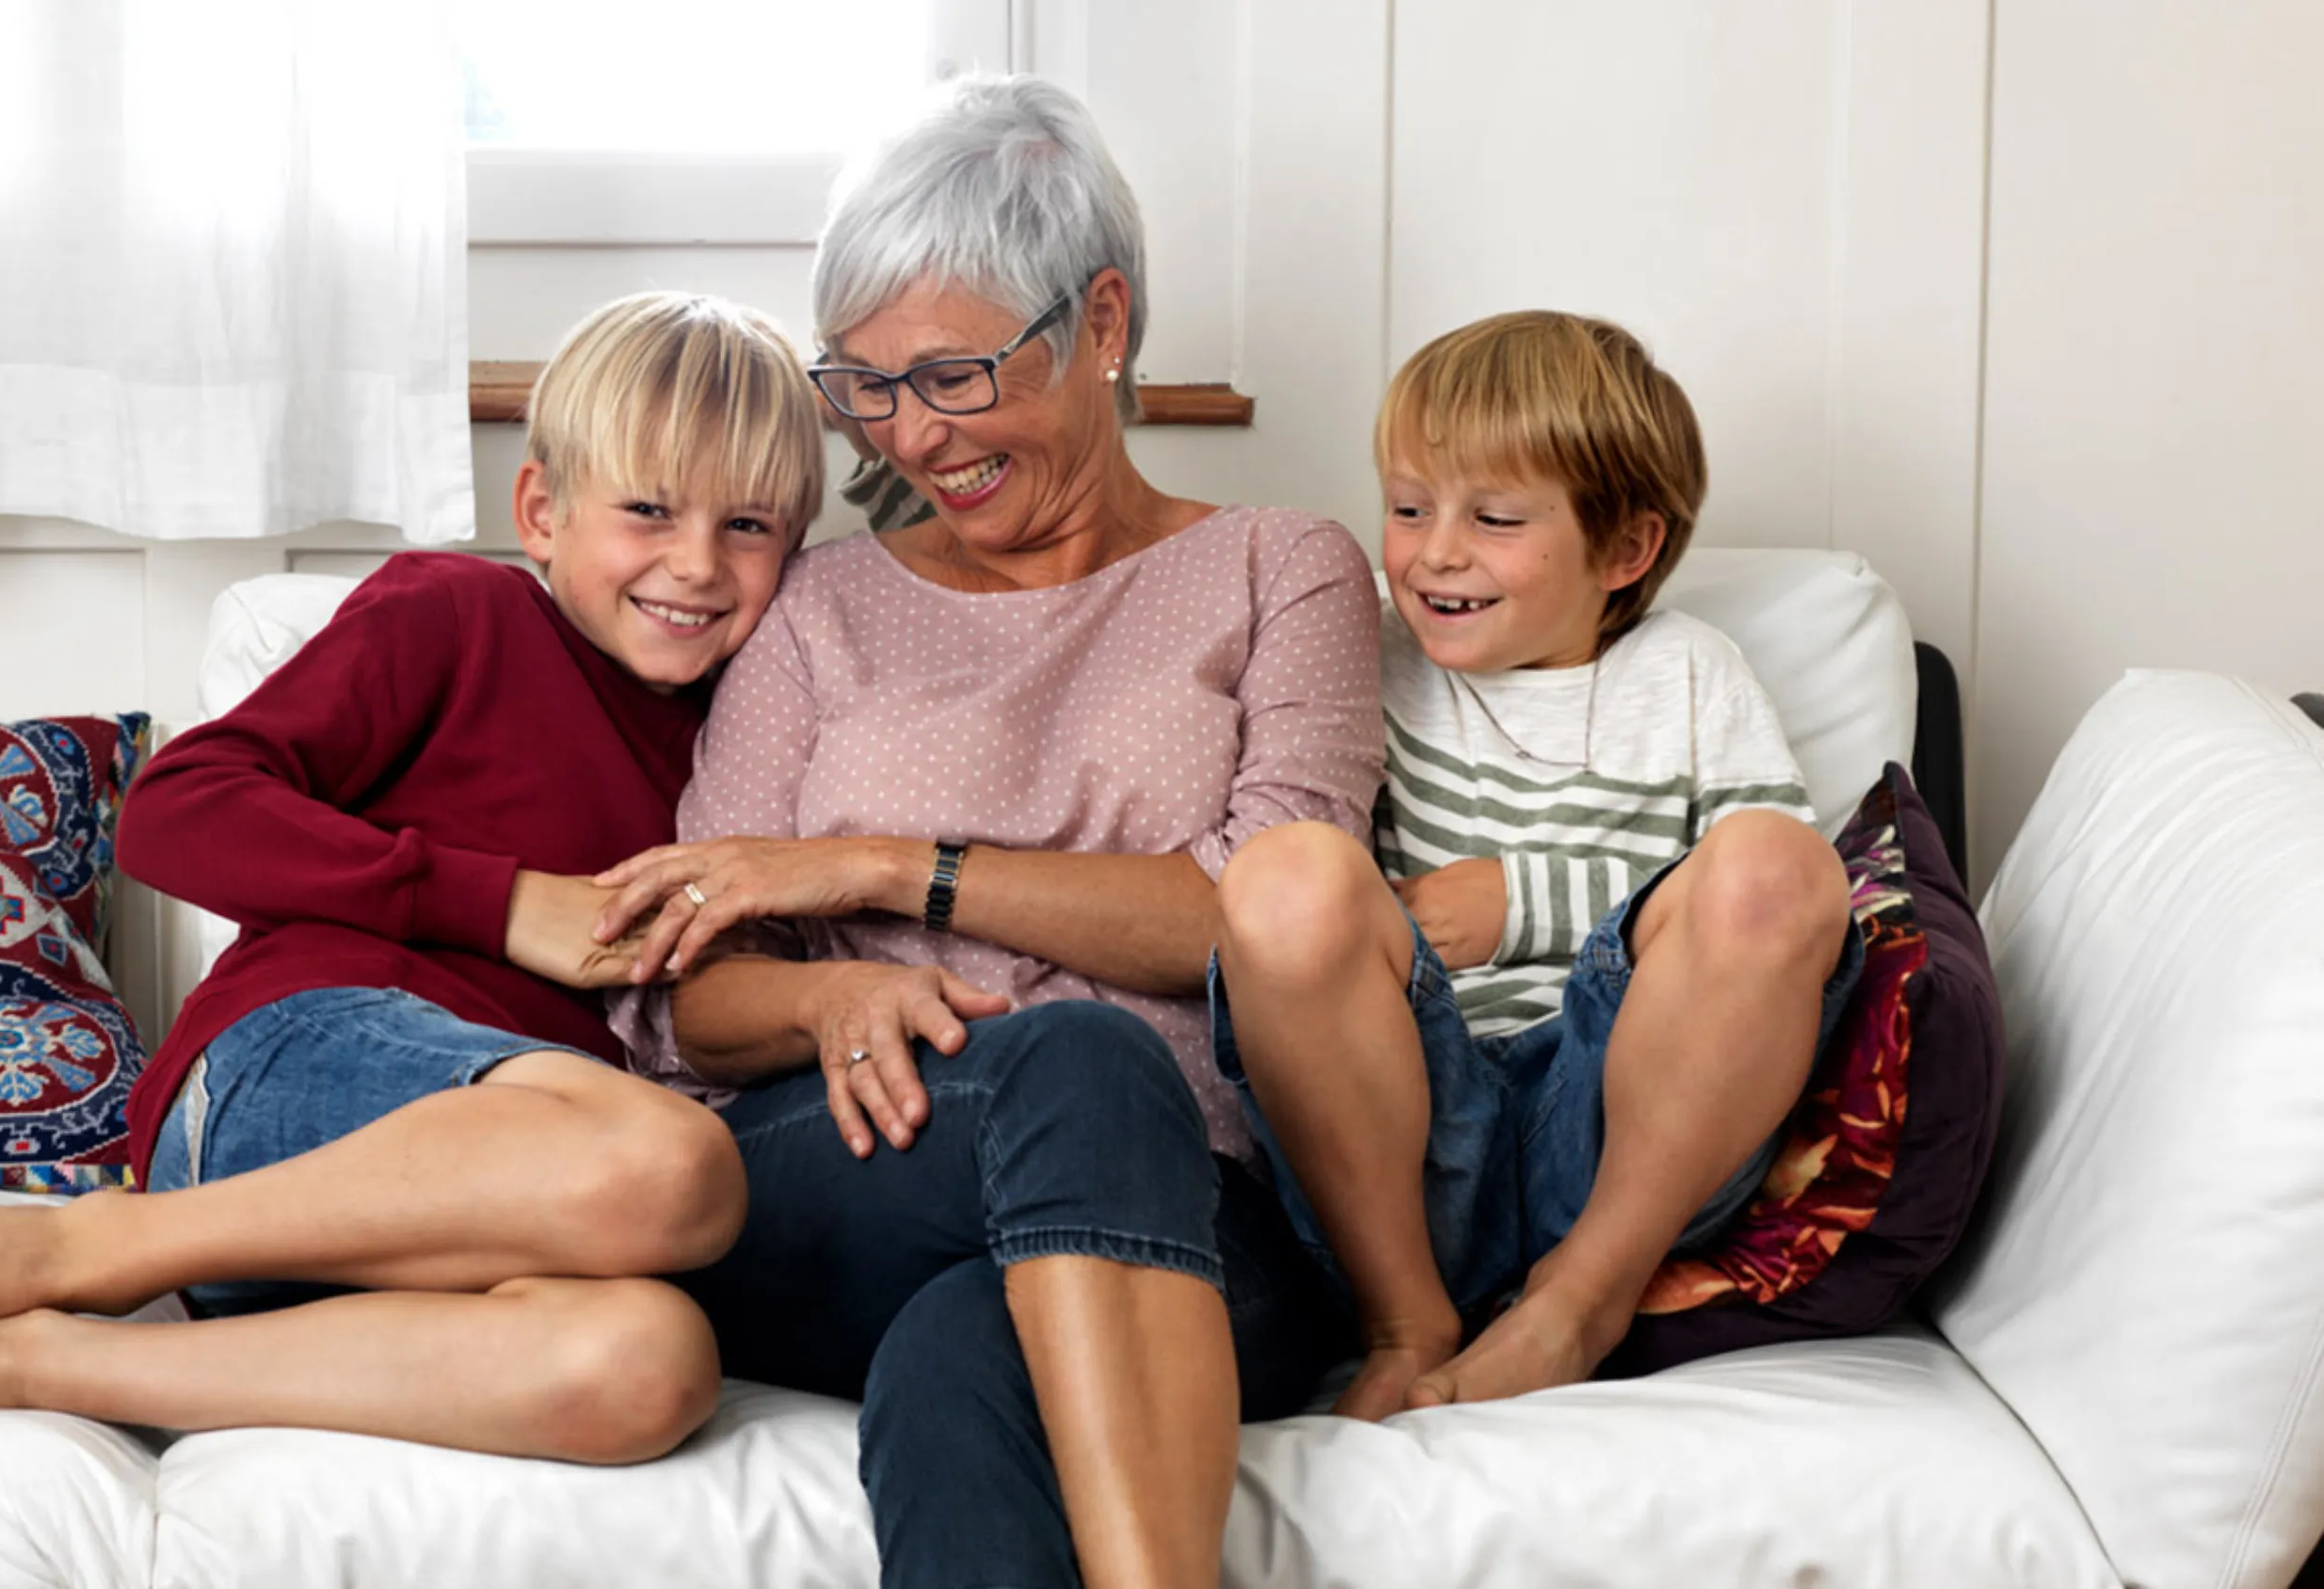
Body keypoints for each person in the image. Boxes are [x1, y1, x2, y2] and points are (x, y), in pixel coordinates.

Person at [0, 291, 825, 1464]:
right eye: (650, 510)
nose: (699, 564)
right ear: (543, 511)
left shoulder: (755, 745)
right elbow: (174, 813)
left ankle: (20, 1357)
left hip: (456, 1230)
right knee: (667, 1164)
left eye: (752, 526)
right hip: (286, 1079)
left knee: (649, 1364)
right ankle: (87, 1245)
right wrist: (506, 904)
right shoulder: (458, 614)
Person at [585, 77, 1383, 1589]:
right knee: (1080, 1060)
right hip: (854, 1164)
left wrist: (893, 870)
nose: (911, 436)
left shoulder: (1288, 573)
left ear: (1100, 323)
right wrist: (826, 986)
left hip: (1199, 1212)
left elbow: (1263, 923)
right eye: (866, 387)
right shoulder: (816, 607)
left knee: (963, 1355)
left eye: (951, 374)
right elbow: (679, 987)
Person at [1210, 310, 1865, 1423]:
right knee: (1281, 874)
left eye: (1495, 517)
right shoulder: (1357, 649)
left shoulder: (1694, 676)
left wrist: (1525, 901)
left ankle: (1576, 1303)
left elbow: (1781, 915)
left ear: (1625, 550)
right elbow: (1312, 927)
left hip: (1622, 1129)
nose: (1437, 551)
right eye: (1409, 506)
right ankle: (1404, 1317)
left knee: (1776, 861)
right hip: (1408, 1137)